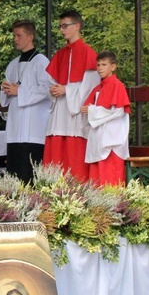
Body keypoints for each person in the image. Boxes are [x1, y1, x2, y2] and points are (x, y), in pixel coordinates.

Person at [43, 10, 99, 182]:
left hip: (74, 112)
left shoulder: (88, 53)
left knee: (74, 154)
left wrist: (67, 90)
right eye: (60, 26)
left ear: (77, 26)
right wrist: (53, 90)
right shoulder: (60, 54)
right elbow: (49, 81)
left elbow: (91, 85)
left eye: (65, 26)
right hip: (60, 110)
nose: (62, 30)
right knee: (56, 151)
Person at [0, 20, 52, 183]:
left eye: (19, 35)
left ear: (30, 37)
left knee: (30, 172)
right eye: (14, 35)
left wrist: (19, 91)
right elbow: (5, 97)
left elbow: (47, 89)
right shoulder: (12, 65)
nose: (15, 39)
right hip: (15, 126)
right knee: (15, 173)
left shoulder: (41, 62)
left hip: (34, 128)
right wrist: (6, 89)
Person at [80, 51, 130, 186]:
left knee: (110, 178)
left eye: (104, 64)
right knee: (96, 180)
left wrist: (91, 110)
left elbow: (118, 111)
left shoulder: (117, 85)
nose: (100, 68)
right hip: (98, 138)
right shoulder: (98, 87)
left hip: (111, 140)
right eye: (98, 65)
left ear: (113, 67)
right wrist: (89, 110)